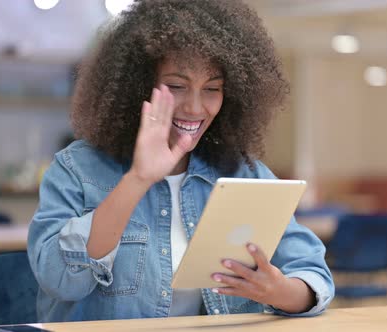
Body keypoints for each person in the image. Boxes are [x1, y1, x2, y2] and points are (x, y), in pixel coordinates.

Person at [27, 0, 334, 322]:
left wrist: (277, 290)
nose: (195, 108)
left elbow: (314, 276)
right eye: (176, 86)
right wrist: (138, 178)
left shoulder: (247, 174)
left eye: (212, 89)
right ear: (136, 86)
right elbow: (61, 281)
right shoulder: (77, 170)